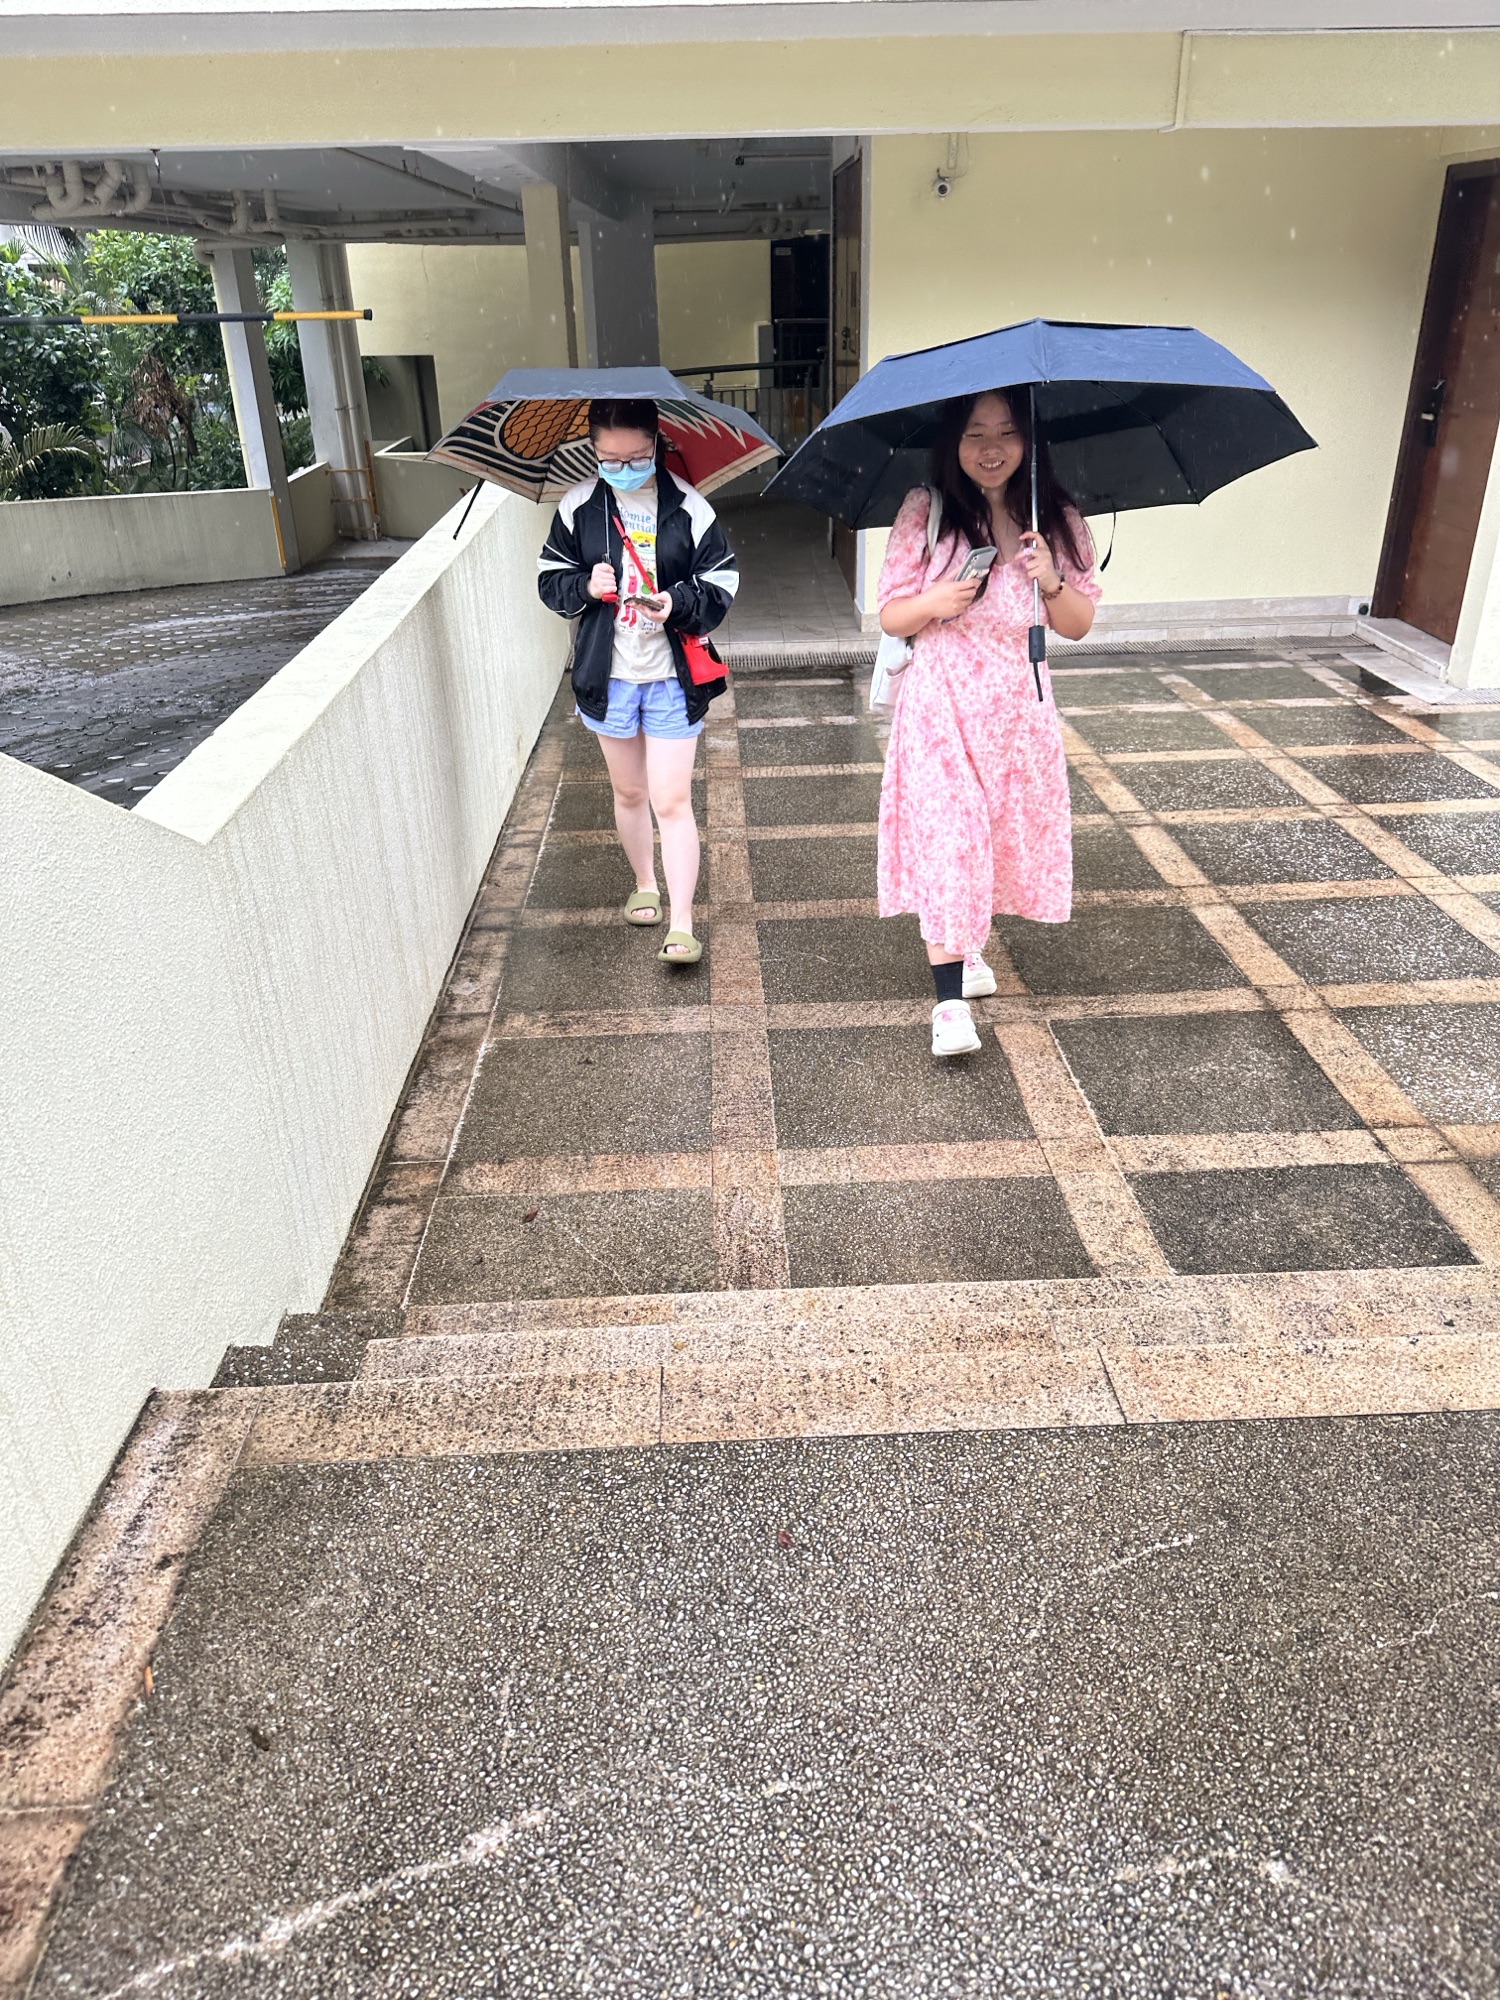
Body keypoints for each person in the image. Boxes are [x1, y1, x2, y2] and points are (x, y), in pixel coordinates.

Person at [876, 389, 1102, 1056]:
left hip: (1016, 715)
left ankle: (967, 945)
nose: (991, 448)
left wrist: (1052, 578)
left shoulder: (1054, 519)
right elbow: (891, 614)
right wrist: (934, 601)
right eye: (975, 433)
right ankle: (948, 1005)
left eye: (1006, 432)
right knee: (952, 838)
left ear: (1028, 441)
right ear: (954, 442)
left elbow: (1079, 625)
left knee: (996, 839)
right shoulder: (927, 511)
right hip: (940, 708)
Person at [536, 398, 739, 965]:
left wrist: (677, 602)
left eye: (637, 457)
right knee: (629, 792)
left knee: (671, 799)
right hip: (610, 675)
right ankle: (644, 883)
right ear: (594, 451)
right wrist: (585, 586)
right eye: (610, 459)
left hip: (672, 676)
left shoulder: (689, 506)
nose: (624, 468)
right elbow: (550, 580)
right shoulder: (579, 506)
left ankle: (682, 921)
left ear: (657, 445)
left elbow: (722, 581)